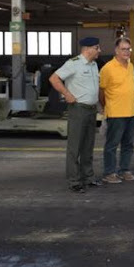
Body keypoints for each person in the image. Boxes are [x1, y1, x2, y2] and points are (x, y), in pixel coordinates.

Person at [49, 37, 102, 193]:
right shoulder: (73, 63)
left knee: (88, 145)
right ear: (87, 49)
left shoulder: (94, 65)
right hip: (78, 109)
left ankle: (88, 177)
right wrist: (66, 93)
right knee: (75, 147)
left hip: (91, 110)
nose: (100, 50)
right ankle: (74, 181)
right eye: (97, 47)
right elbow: (54, 78)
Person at [99, 37, 134, 183]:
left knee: (128, 144)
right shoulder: (107, 68)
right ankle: (109, 173)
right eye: (123, 49)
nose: (127, 52)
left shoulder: (131, 66)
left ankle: (124, 170)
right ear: (116, 50)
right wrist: (106, 107)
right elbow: (101, 92)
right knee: (112, 145)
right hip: (115, 113)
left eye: (128, 49)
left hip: (131, 112)